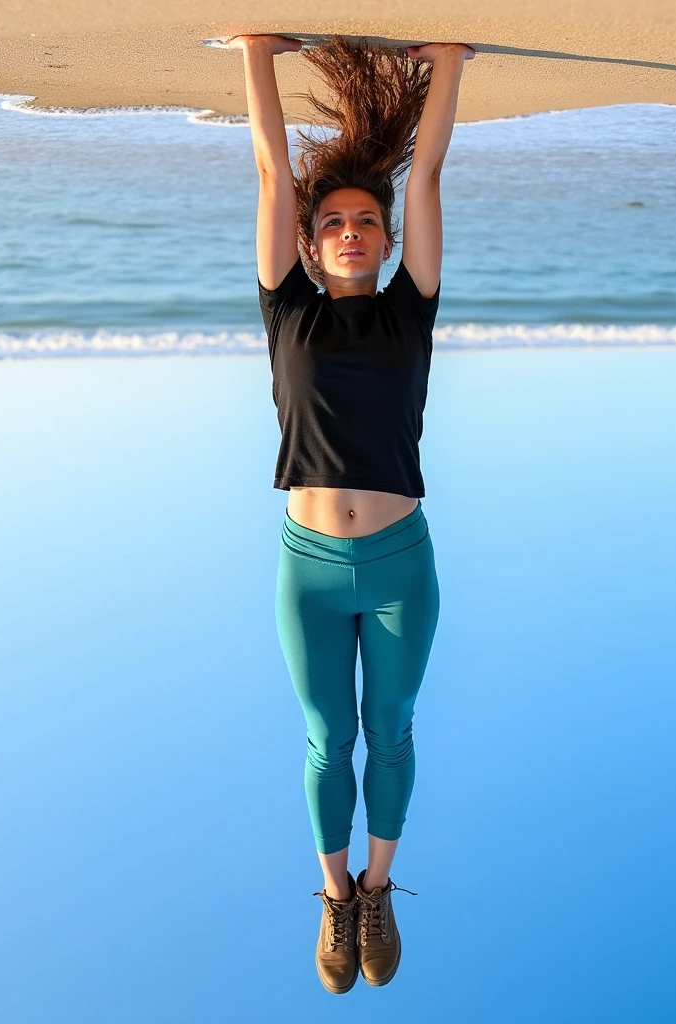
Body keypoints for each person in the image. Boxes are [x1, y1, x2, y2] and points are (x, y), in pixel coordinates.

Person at [229, 32, 473, 993]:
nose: (351, 230)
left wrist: (446, 66)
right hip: (311, 567)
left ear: (384, 239)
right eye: (334, 221)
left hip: (402, 563)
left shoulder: (412, 307)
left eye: (365, 220)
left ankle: (379, 885)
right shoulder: (285, 309)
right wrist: (257, 53)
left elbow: (431, 177)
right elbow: (266, 172)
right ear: (311, 239)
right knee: (331, 734)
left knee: (395, 724)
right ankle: (338, 902)